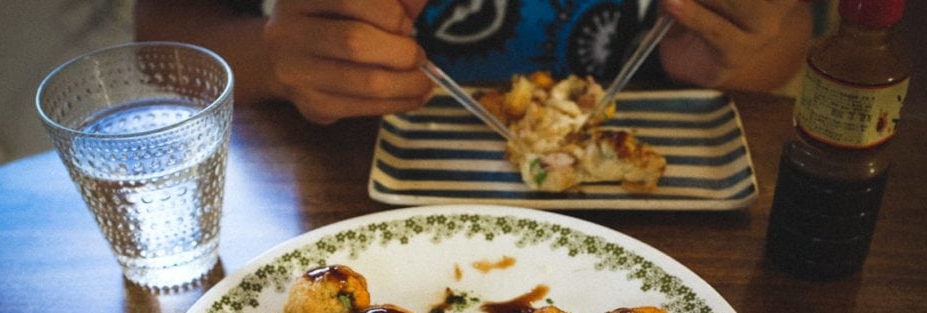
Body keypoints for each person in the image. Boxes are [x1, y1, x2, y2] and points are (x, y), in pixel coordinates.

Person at [134, 0, 821, 126]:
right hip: (339, 184)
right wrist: (271, 56)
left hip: (671, 218)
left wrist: (740, 49)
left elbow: (786, 40)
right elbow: (162, 39)